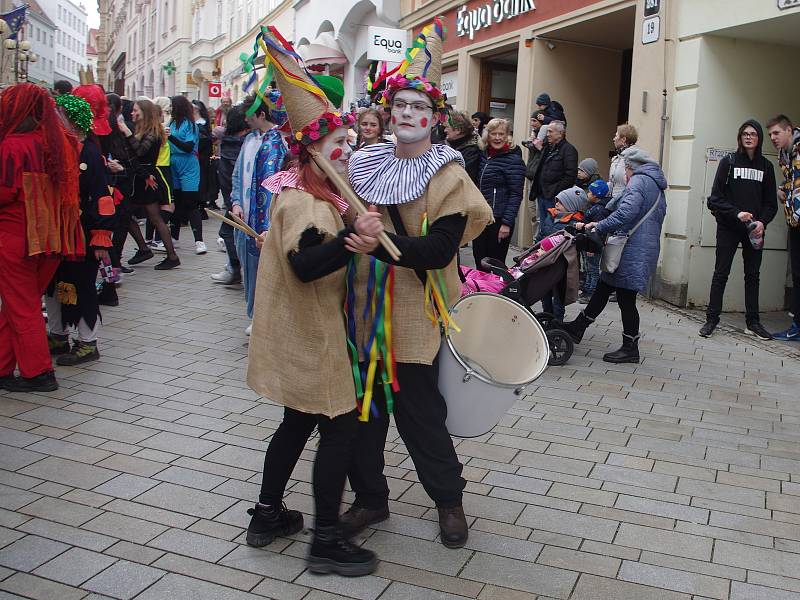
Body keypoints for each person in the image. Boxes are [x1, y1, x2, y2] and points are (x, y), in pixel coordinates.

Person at [345, 17, 492, 549]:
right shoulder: (363, 163)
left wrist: (376, 245)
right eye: (401, 106)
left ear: (434, 118)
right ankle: (370, 498)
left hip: (415, 310)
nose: (408, 114)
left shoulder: (448, 174)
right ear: (390, 111)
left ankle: (449, 501)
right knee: (364, 411)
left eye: (420, 108)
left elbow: (438, 250)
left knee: (418, 412)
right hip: (363, 306)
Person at [244, 25, 380, 577]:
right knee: (339, 428)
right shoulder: (306, 202)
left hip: (297, 335)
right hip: (312, 338)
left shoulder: (315, 194)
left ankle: (266, 515)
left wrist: (353, 227)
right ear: (312, 152)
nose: (346, 153)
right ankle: (325, 540)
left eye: (348, 145)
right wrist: (355, 241)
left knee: (295, 424)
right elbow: (305, 265)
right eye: (337, 147)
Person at [0, 84, 84, 392]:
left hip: (16, 237)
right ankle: (2, 366)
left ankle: (38, 373)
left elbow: (5, 192)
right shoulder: (63, 142)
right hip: (52, 238)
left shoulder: (12, 145)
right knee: (17, 305)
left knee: (21, 307)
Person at [562, 147, 667, 363]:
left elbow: (626, 212)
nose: (625, 175)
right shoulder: (654, 185)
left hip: (632, 247)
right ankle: (578, 327)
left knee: (626, 298)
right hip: (638, 247)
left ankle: (630, 348)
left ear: (631, 168)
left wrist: (599, 226)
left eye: (625, 170)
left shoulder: (639, 181)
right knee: (604, 286)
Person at [46, 94, 117, 365]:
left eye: (61, 115)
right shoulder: (60, 148)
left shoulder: (87, 152)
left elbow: (102, 196)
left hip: (82, 233)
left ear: (73, 121)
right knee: (53, 285)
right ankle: (58, 333)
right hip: (59, 232)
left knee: (83, 286)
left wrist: (100, 237)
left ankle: (88, 342)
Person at [699, 120, 777, 340]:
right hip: (729, 228)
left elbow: (771, 203)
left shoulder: (766, 167)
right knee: (720, 274)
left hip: (754, 231)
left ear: (759, 138)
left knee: (753, 276)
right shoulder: (729, 162)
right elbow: (715, 198)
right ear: (740, 137)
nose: (749, 137)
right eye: (745, 134)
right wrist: (736, 213)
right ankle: (711, 320)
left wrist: (762, 222)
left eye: (753, 134)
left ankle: (753, 323)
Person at [230, 90, 288, 333]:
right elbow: (237, 175)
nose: (245, 121)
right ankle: (254, 313)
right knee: (248, 267)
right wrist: (235, 202)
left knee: (263, 269)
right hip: (245, 217)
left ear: (261, 114)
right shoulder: (249, 140)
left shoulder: (279, 142)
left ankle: (261, 317)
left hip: (265, 219)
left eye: (249, 116)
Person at [117, 98, 180, 269]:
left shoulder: (153, 132)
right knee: (130, 214)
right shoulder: (144, 130)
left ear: (144, 112)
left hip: (147, 179)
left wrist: (127, 133)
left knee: (153, 218)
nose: (132, 113)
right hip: (141, 178)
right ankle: (147, 249)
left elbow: (140, 151)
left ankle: (170, 255)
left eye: (135, 110)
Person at [473, 117, 525, 268]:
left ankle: (495, 291)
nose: (497, 138)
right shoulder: (483, 156)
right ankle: (482, 290)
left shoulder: (514, 160)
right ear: (487, 135)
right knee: (479, 261)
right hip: (481, 219)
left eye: (501, 134)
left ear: (507, 136)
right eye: (493, 133)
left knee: (495, 265)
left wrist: (506, 223)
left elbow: (516, 194)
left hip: (499, 220)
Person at [767, 114, 800, 341]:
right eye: (770, 134)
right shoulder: (784, 154)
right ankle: (797, 325)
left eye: (776, 133)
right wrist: (782, 188)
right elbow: (792, 180)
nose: (773, 137)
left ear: (789, 130)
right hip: (794, 220)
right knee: (797, 274)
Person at [210, 105, 249, 285]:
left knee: (228, 232)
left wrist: (233, 202)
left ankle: (235, 269)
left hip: (238, 201)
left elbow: (232, 178)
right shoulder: (246, 141)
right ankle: (234, 269)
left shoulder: (234, 143)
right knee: (229, 233)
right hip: (238, 200)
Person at [540, 185, 588, 321]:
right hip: (545, 262)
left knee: (558, 297)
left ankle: (557, 323)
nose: (556, 204)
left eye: (560, 202)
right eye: (557, 201)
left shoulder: (575, 224)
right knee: (545, 293)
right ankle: (547, 317)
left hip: (561, 266)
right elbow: (541, 235)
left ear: (571, 206)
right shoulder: (551, 216)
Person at [168, 95, 204, 254]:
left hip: (188, 164)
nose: (170, 108)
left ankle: (199, 241)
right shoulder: (171, 123)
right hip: (173, 163)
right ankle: (174, 238)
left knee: (190, 203)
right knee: (176, 201)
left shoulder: (190, 125)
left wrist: (170, 137)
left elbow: (188, 147)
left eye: (172, 105)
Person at [533, 120, 578, 240]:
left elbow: (570, 176)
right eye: (547, 131)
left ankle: (548, 254)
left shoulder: (569, 150)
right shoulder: (548, 148)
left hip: (553, 197)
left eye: (550, 131)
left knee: (551, 230)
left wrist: (555, 192)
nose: (548, 134)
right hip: (542, 194)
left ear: (560, 133)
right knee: (543, 227)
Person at [577, 179, 612, 304]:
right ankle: (587, 289)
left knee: (593, 269)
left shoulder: (599, 211)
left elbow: (598, 232)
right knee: (588, 267)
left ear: (596, 195)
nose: (588, 194)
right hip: (588, 243)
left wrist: (592, 247)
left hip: (593, 245)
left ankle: (592, 292)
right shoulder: (594, 207)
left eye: (590, 192)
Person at [444, 110, 481, 185]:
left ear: (458, 130)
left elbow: (463, 179)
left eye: (447, 127)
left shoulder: (472, 152)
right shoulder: (450, 146)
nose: (445, 130)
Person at [192, 99, 216, 213]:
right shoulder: (190, 122)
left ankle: (201, 204)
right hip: (194, 156)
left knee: (202, 180)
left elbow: (207, 139)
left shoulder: (204, 122)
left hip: (202, 156)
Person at [609, 123, 638, 205]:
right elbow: (612, 183)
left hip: (625, 204)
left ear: (623, 139)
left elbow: (633, 186)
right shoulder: (616, 158)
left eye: (616, 136)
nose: (613, 139)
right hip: (613, 203)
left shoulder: (633, 159)